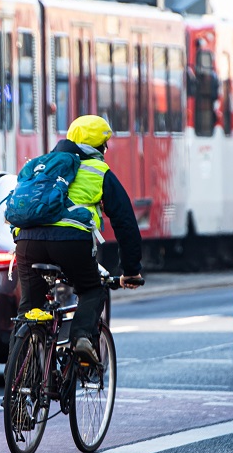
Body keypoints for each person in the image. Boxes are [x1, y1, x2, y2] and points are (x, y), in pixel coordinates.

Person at [14, 114, 144, 362]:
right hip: (71, 242)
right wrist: (130, 270)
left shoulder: (40, 164)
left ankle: (15, 383)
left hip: (27, 242)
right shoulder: (99, 171)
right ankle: (81, 337)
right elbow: (125, 222)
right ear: (99, 147)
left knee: (29, 306)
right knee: (92, 289)